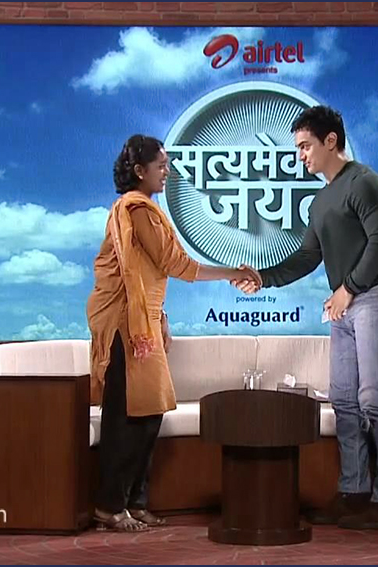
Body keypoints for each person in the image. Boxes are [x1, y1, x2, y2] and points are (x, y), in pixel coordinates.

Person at [233, 106, 378, 529]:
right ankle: (354, 494)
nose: (300, 156)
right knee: (345, 401)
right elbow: (308, 256)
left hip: (377, 295)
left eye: (305, 146)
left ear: (331, 141)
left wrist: (347, 289)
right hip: (345, 304)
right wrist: (264, 277)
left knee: (375, 399)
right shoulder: (320, 200)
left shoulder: (364, 182)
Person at [87, 134, 254, 532]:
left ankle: (135, 500)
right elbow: (174, 264)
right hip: (124, 323)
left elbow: (150, 272)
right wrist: (233, 272)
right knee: (126, 416)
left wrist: (159, 315)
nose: (167, 172)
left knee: (151, 411)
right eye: (161, 165)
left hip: (143, 319)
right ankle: (109, 506)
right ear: (139, 170)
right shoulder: (135, 208)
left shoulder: (149, 209)